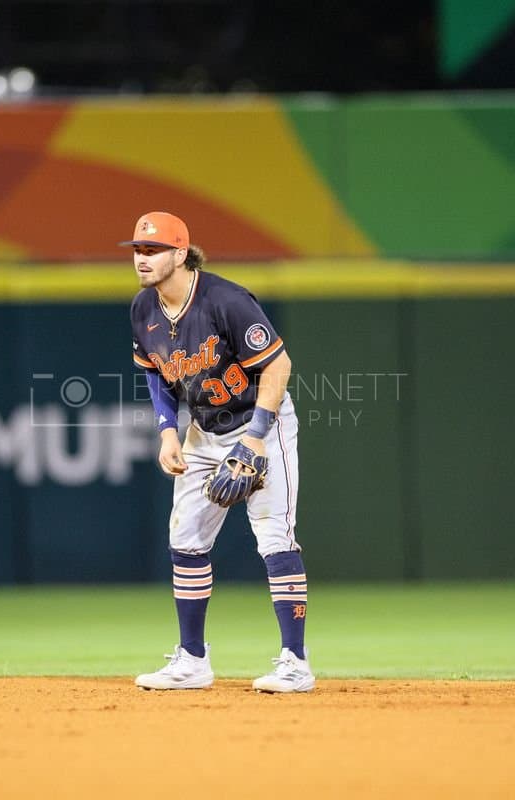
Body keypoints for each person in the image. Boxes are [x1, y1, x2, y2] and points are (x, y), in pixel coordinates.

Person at [123, 211, 314, 693]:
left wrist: (255, 439)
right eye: (138, 250)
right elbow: (154, 370)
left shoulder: (226, 300)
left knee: (274, 536)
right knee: (185, 539)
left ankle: (296, 661)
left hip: (261, 424)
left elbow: (278, 367)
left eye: (153, 250)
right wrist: (168, 431)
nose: (142, 259)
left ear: (181, 254)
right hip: (203, 433)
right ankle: (192, 660)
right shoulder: (143, 310)